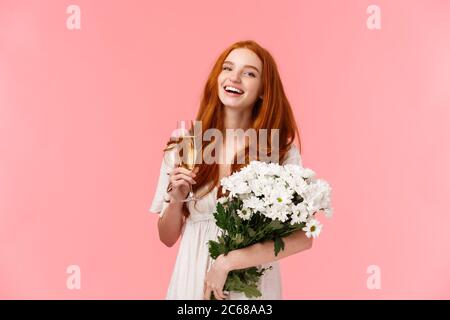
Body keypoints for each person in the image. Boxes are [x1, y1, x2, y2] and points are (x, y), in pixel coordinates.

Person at [149, 40, 313, 300]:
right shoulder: (184, 146)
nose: (234, 77)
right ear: (218, 78)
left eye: (249, 73)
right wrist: (176, 199)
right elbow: (167, 238)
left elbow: (303, 237)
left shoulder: (278, 150)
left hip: (251, 288)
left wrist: (227, 262)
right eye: (228, 68)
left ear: (262, 90)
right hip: (192, 280)